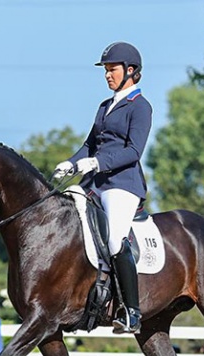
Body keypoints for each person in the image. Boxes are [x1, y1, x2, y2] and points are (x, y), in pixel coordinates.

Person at [53, 41, 152, 334]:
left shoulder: (141, 107)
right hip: (93, 182)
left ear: (130, 71)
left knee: (114, 240)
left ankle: (132, 313)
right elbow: (89, 145)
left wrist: (96, 163)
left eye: (112, 70)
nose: (108, 75)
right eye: (106, 70)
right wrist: (71, 163)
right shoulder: (105, 106)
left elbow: (134, 151)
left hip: (122, 184)